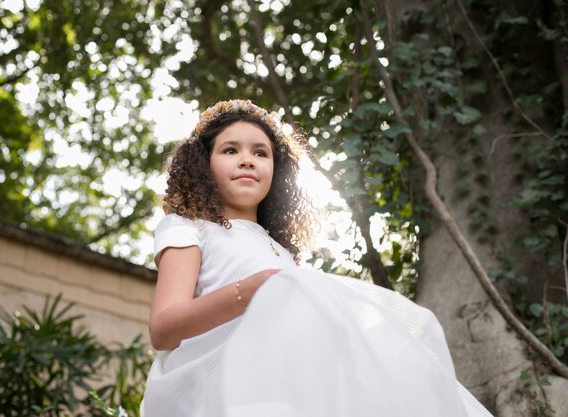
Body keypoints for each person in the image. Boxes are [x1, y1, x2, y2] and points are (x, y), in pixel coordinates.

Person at [140, 99, 493, 417]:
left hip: (276, 384)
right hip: (211, 389)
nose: (247, 159)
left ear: (277, 173)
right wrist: (252, 290)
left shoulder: (280, 251)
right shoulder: (189, 227)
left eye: (261, 153)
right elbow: (163, 330)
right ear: (203, 164)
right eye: (230, 150)